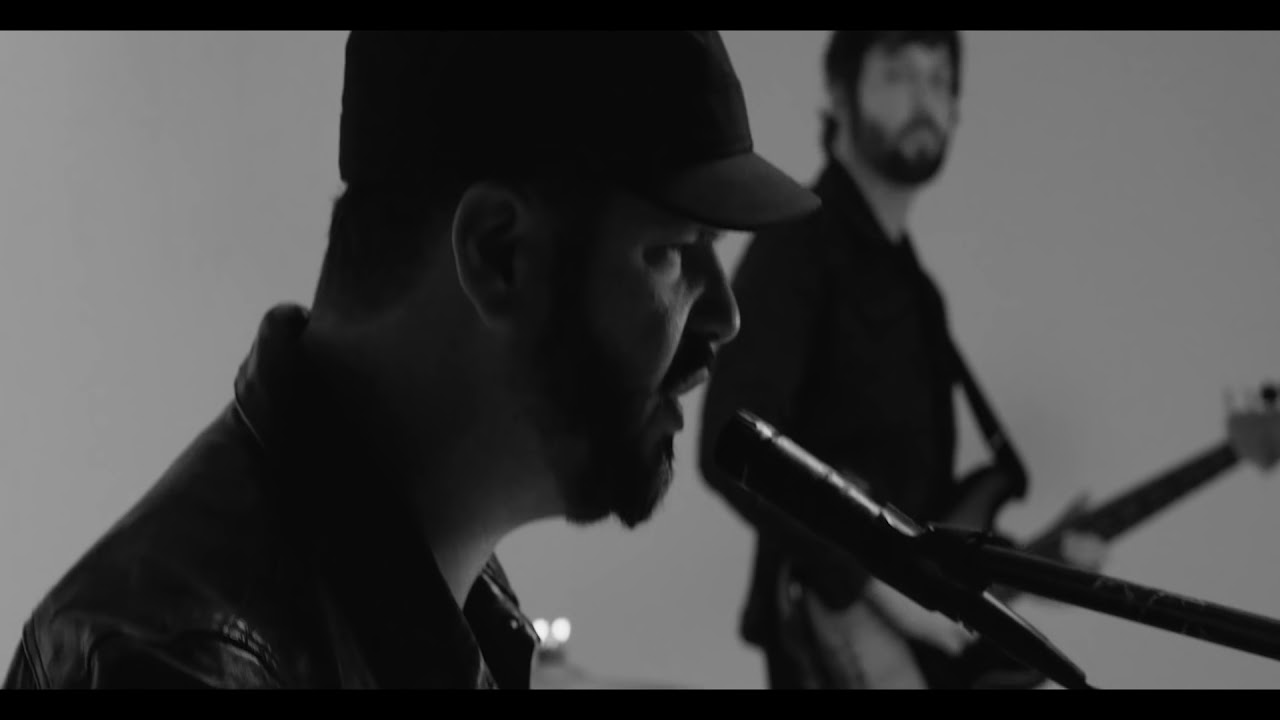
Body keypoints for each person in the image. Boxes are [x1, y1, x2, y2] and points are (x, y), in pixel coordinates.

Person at [3, 31, 821, 689]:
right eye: (673, 252)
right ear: (498, 253)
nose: (724, 318)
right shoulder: (181, 667)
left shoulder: (452, 602)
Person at [698, 30, 1108, 690]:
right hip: (833, 630)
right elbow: (731, 439)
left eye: (940, 80)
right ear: (840, 93)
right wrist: (873, 585)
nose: (924, 98)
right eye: (898, 74)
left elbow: (927, 516)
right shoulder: (798, 244)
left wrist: (1039, 565)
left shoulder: (919, 294)